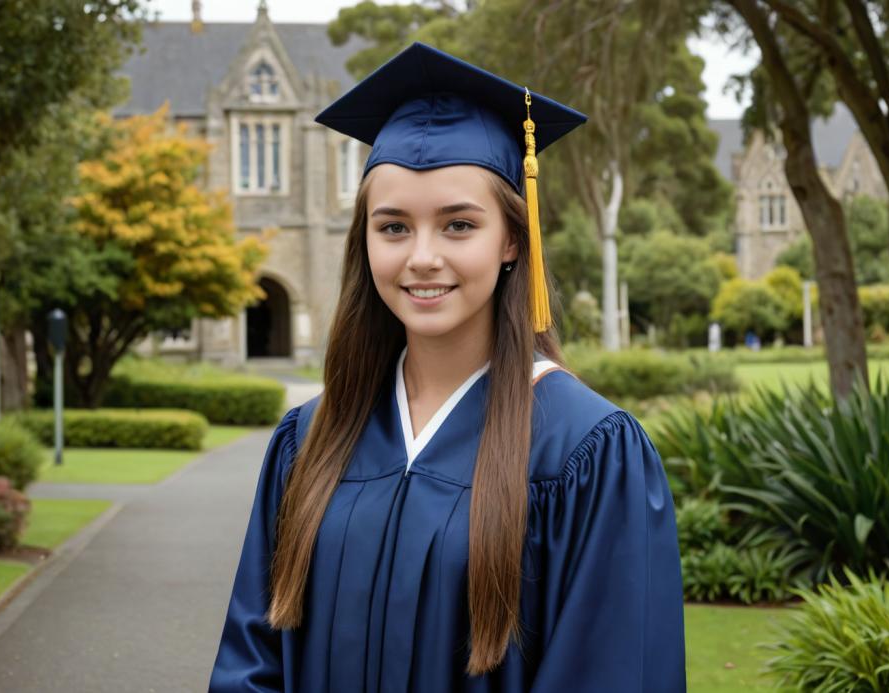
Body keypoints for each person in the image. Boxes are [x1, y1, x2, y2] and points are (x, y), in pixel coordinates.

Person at [209, 42, 685, 692]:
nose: (422, 257)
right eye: (394, 227)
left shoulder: (585, 451)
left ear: (512, 238)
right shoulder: (311, 440)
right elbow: (251, 664)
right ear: (365, 241)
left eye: (459, 225)